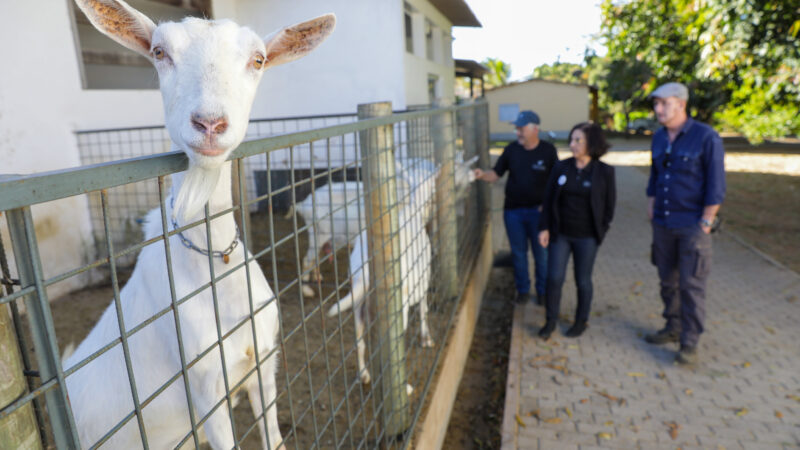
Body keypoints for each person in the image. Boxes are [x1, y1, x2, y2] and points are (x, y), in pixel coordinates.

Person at [643, 82, 725, 366]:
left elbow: (716, 184)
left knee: (691, 285)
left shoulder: (706, 137)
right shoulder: (658, 138)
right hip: (663, 223)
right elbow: (655, 175)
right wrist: (651, 202)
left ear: (681, 104)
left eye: (664, 103)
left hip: (692, 224)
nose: (658, 109)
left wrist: (706, 220)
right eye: (656, 104)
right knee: (667, 280)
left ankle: (689, 342)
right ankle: (672, 327)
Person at [536, 122, 616, 339]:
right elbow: (548, 200)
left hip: (587, 237)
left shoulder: (605, 172)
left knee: (583, 280)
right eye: (572, 140)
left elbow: (609, 208)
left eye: (578, 140)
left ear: (592, 143)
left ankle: (581, 321)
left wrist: (601, 231)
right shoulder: (561, 167)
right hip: (560, 234)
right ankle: (550, 320)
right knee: (554, 278)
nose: (573, 144)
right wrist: (544, 228)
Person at [473, 110, 558, 304]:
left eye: (521, 128)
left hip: (539, 213)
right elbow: (496, 174)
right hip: (513, 213)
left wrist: (548, 206)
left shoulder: (548, 151)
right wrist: (481, 175)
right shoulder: (511, 150)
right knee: (518, 254)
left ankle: (543, 292)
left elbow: (556, 182)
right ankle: (523, 290)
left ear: (535, 129)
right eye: (517, 128)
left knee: (541, 256)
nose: (518, 132)